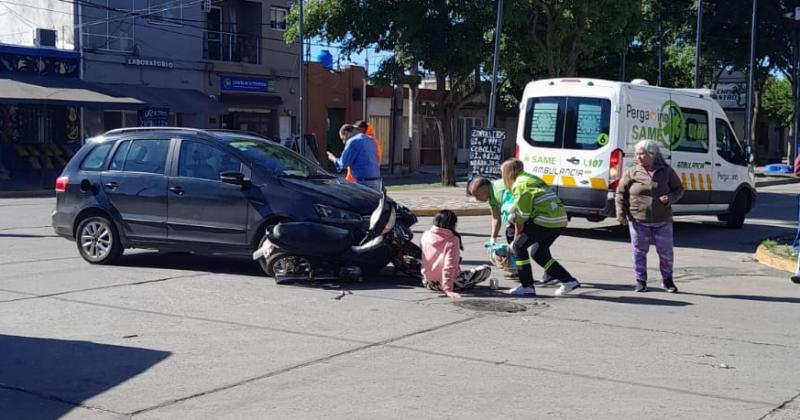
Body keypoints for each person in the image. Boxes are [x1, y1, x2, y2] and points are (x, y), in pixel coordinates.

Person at [502, 159, 580, 296]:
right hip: (559, 219)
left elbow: (523, 214)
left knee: (519, 247)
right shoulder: (531, 178)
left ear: (509, 173)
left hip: (545, 220)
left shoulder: (520, 184)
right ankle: (568, 281)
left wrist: (511, 219)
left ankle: (527, 286)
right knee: (539, 253)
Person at [615, 139, 684, 293]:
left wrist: (670, 198)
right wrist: (621, 213)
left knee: (665, 252)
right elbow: (620, 193)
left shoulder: (666, 171)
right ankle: (640, 281)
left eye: (642, 154)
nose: (638, 157)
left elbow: (679, 189)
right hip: (638, 219)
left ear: (652, 155)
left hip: (662, 220)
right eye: (637, 154)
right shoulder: (632, 171)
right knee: (639, 251)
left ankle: (667, 281)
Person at [420, 210, 492, 298]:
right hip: (447, 284)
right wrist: (448, 289)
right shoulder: (452, 240)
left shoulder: (425, 235)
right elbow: (449, 266)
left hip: (428, 282)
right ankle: (461, 284)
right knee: (486, 269)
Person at [327, 124, 382, 191]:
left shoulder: (352, 142)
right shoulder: (371, 140)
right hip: (377, 181)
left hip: (363, 183)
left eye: (343, 139)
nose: (343, 142)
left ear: (346, 133)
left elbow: (343, 164)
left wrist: (332, 158)